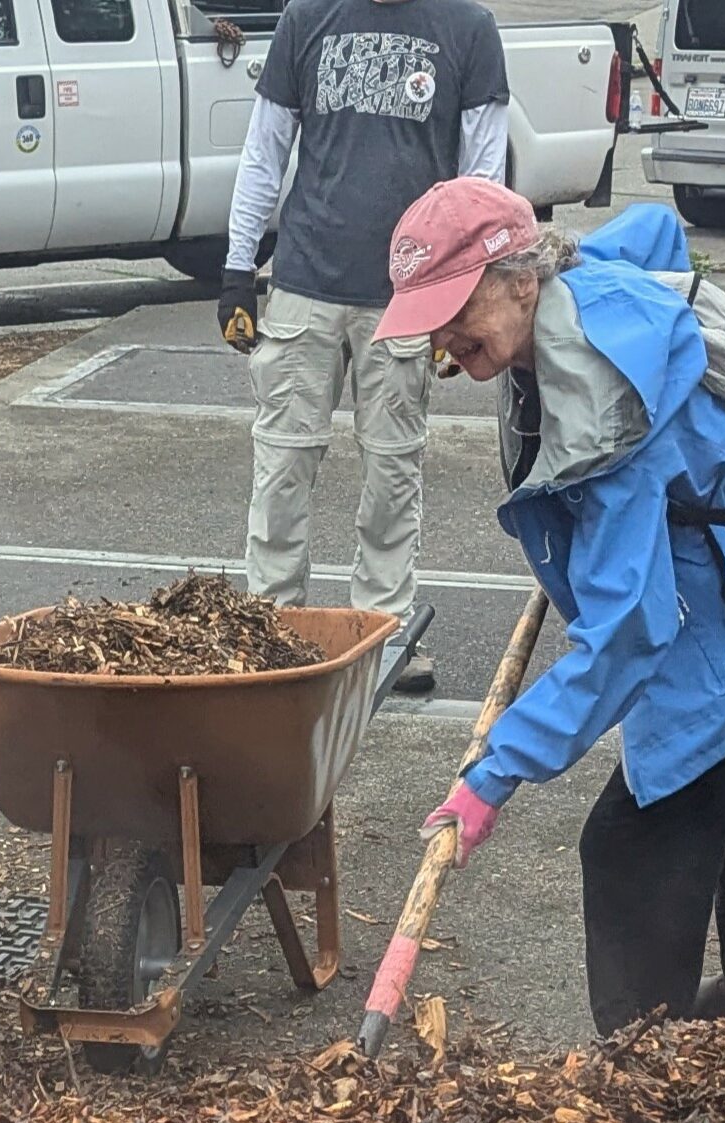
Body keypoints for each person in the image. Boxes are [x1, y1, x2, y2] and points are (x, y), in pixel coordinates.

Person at [379, 179, 725, 1036]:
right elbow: (654, 229)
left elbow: (631, 633)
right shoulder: (587, 280)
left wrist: (492, 775)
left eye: (454, 306)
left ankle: (645, 1075)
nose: (441, 336)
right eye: (426, 315)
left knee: (629, 847)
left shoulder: (609, 415)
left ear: (521, 279)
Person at [220, 0, 511, 693]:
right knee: (284, 463)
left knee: (392, 470)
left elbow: (483, 179)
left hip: (411, 296)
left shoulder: (467, 29)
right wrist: (237, 267)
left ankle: (385, 632)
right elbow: (265, 151)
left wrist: (468, 295)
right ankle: (269, 625)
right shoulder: (306, 18)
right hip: (304, 281)